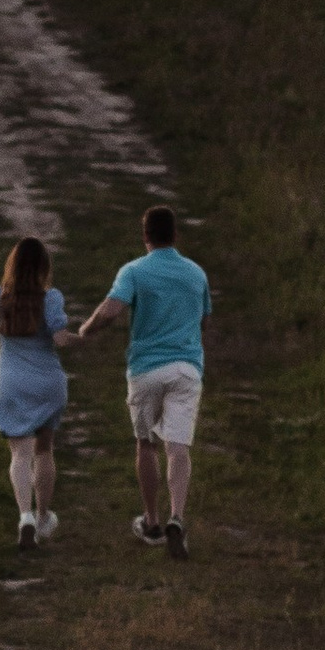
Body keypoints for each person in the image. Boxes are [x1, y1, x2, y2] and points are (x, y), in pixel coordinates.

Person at [68, 204, 211, 558]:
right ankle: (178, 516)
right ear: (175, 235)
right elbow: (203, 321)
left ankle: (151, 521)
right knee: (178, 448)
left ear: (145, 235)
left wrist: (86, 331)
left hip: (146, 369)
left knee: (145, 443)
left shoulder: (133, 271)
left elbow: (111, 310)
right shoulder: (196, 274)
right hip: (186, 369)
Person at [0, 236, 75, 549]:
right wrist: (84, 337)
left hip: (10, 382)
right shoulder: (51, 298)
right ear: (44, 267)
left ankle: (25, 517)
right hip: (47, 382)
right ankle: (44, 516)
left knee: (19, 454)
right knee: (44, 450)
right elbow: (60, 339)